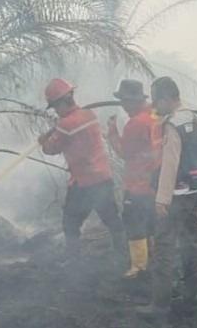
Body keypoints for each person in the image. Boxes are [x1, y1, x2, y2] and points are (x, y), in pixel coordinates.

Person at [137, 76, 197, 324]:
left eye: (157, 101)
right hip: (195, 194)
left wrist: (162, 200)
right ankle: (192, 298)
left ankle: (160, 306)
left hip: (176, 196)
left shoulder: (172, 125)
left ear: (167, 99)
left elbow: (170, 164)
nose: (154, 108)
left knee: (164, 251)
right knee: (191, 245)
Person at [39, 78, 126, 265]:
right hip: (103, 177)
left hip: (84, 183)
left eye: (55, 106)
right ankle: (123, 255)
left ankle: (74, 261)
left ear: (61, 102)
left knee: (70, 223)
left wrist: (43, 140)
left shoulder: (65, 125)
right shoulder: (89, 114)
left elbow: (51, 149)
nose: (56, 110)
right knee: (112, 219)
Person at [106, 79, 161, 278]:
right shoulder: (154, 116)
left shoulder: (135, 123)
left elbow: (124, 152)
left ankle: (139, 267)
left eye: (123, 100)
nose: (121, 104)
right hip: (156, 183)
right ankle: (153, 258)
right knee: (151, 223)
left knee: (134, 223)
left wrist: (112, 132)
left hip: (138, 185)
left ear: (131, 101)